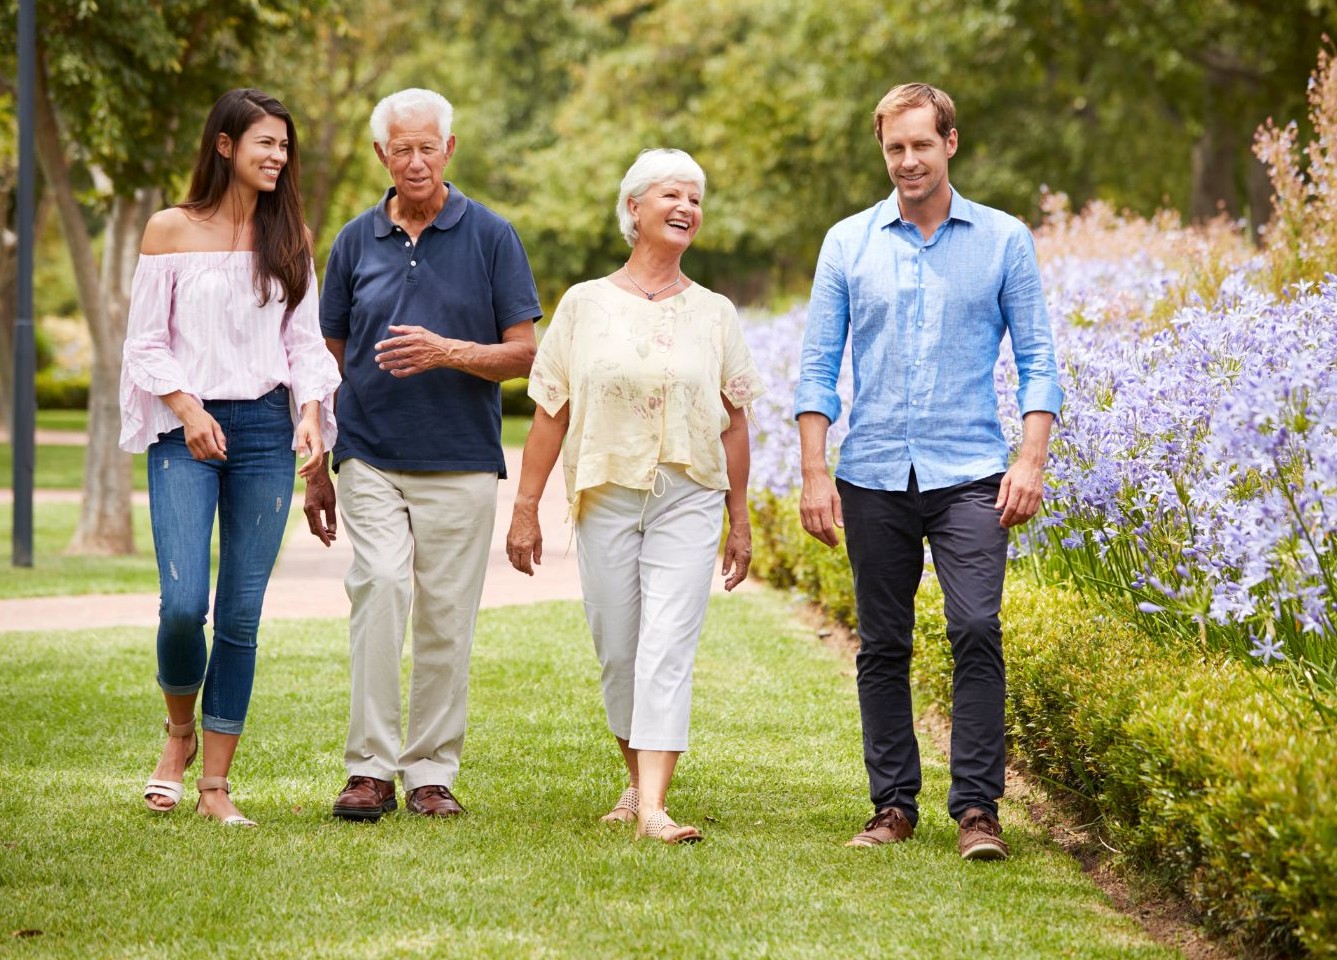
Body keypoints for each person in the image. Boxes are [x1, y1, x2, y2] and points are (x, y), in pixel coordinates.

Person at [794, 83, 1063, 860]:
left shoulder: (1003, 239)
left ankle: (977, 809)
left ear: (950, 142)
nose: (906, 161)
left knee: (976, 627)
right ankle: (892, 805)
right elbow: (817, 370)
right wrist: (816, 472)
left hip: (973, 471)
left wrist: (1030, 457)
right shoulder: (847, 243)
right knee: (882, 643)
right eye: (893, 148)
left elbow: (1039, 359)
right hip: (872, 471)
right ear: (883, 152)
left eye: (920, 144)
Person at [506, 148, 765, 845]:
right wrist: (526, 508)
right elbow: (551, 412)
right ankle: (633, 778)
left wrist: (739, 520)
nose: (686, 208)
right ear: (633, 209)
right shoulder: (584, 305)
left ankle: (653, 805)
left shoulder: (714, 312)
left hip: (689, 493)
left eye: (695, 199)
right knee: (618, 648)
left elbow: (735, 420)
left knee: (667, 645)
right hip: (606, 495)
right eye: (671, 195)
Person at [303, 88, 540, 822]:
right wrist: (318, 467)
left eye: (426, 146)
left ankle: (430, 772)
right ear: (381, 154)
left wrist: (448, 352)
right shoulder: (352, 240)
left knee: (446, 615)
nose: (414, 160)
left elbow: (526, 356)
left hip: (462, 459)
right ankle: (368, 770)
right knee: (377, 586)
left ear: (449, 149)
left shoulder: (492, 236)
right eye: (400, 148)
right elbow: (323, 362)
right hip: (370, 452)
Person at [122, 88, 340, 826]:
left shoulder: (292, 235)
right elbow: (146, 341)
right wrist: (186, 410)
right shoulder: (169, 230)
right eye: (265, 143)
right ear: (225, 145)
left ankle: (215, 787)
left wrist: (309, 413)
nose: (278, 155)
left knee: (241, 617)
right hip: (184, 429)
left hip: (263, 435)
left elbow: (303, 343)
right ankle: (177, 736)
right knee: (185, 606)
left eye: (285, 145)